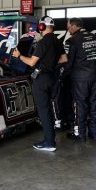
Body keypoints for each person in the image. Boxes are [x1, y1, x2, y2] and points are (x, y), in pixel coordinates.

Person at [12, 16, 67, 151]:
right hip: (52, 78)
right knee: (48, 109)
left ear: (42, 26)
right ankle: (50, 139)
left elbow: (31, 62)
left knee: (44, 111)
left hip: (41, 80)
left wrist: (18, 56)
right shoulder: (57, 41)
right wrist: (51, 64)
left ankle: (49, 143)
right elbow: (64, 59)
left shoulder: (42, 43)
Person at [65, 17, 96, 142]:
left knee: (80, 105)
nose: (68, 28)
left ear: (74, 26)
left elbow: (69, 63)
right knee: (95, 103)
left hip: (80, 79)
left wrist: (63, 75)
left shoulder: (73, 40)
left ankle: (80, 135)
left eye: (68, 25)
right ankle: (95, 133)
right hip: (95, 76)